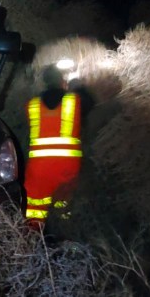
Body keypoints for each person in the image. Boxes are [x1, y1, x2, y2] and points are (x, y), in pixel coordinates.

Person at [23, 63, 94, 230]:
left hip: (38, 167)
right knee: (63, 205)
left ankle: (32, 240)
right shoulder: (74, 101)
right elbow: (90, 103)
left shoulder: (31, 105)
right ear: (62, 81)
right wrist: (78, 86)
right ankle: (64, 235)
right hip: (67, 166)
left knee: (35, 207)